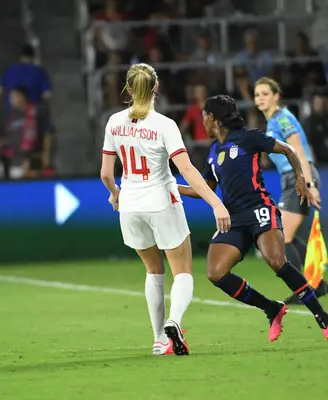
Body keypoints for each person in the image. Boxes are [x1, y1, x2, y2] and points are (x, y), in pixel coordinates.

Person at [178, 95, 328, 342]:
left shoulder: (248, 138)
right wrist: (172, 188)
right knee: (215, 272)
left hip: (259, 210)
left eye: (204, 118)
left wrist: (300, 179)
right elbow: (204, 190)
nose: (203, 124)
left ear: (213, 118)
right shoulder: (213, 152)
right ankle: (271, 308)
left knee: (275, 260)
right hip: (233, 219)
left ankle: (322, 316)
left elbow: (289, 149)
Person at [99, 63, 230, 356]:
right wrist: (216, 202)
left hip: (130, 205)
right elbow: (187, 170)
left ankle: (159, 339)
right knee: (182, 271)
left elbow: (106, 173)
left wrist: (115, 195)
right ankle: (175, 322)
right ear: (156, 88)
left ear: (129, 89)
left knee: (152, 271)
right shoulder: (164, 126)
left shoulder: (113, 122)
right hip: (161, 202)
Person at [254, 77, 328, 305]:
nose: (260, 98)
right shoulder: (272, 123)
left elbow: (297, 149)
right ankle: (316, 283)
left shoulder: (283, 119)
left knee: (281, 235)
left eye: (265, 93)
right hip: (292, 178)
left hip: (298, 177)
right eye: (257, 94)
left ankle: (306, 289)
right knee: (283, 234)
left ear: (276, 96)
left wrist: (309, 184)